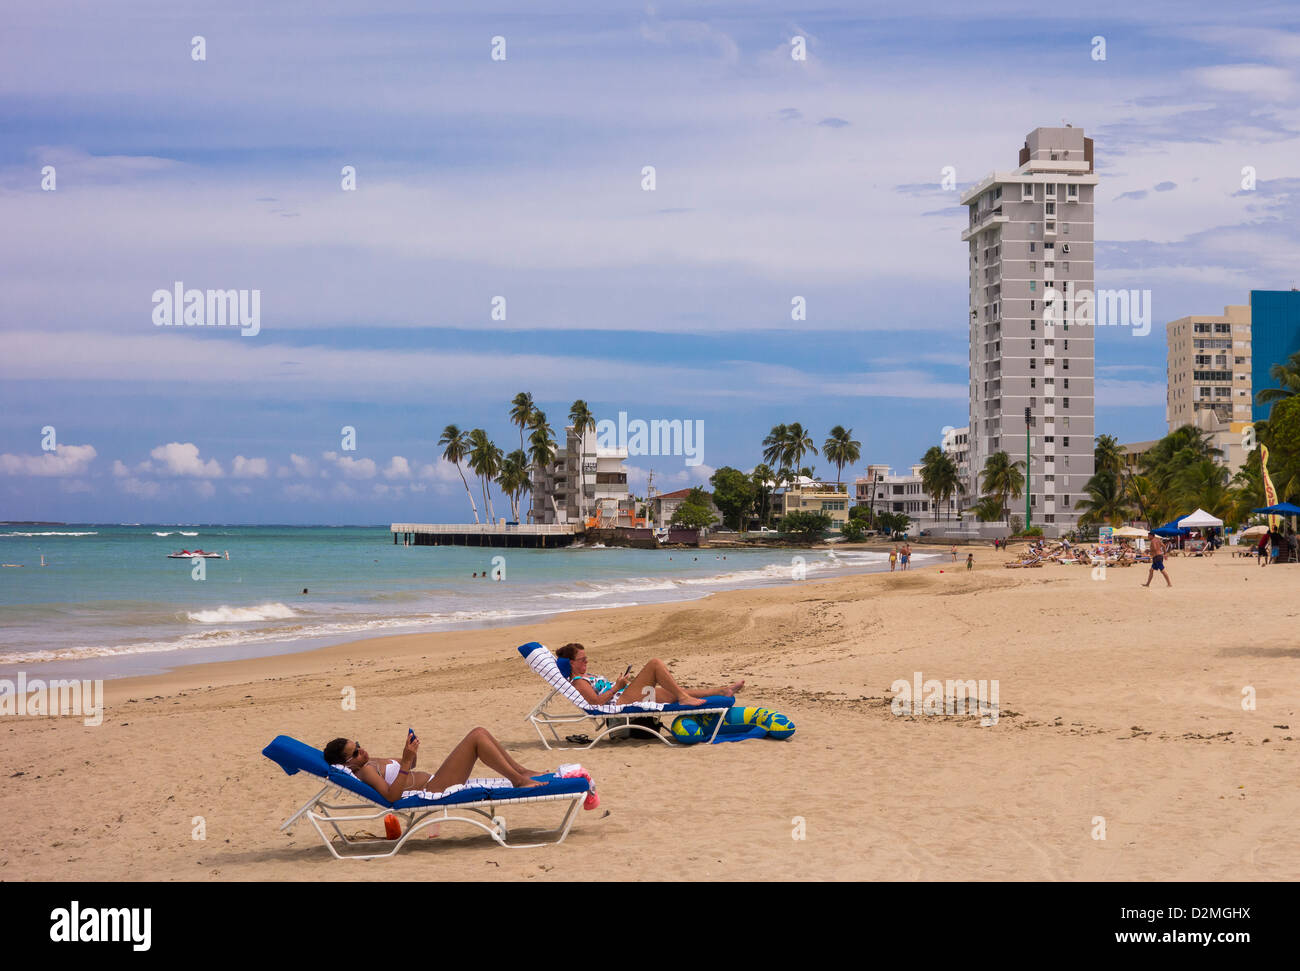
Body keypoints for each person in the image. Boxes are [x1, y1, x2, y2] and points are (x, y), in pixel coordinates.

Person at [322, 728, 546, 802]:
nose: (362, 750)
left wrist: (410, 753)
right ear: (347, 762)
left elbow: (407, 765)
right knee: (476, 737)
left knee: (480, 733)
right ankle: (517, 780)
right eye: (356, 752)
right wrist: (407, 761)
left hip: (433, 781)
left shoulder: (369, 761)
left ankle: (521, 772)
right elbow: (391, 797)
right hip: (433, 790)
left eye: (358, 745)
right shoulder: (365, 771)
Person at [555, 642, 742, 709]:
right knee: (654, 663)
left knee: (672, 693)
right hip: (621, 701)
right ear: (571, 663)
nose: (586, 662)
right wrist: (616, 687)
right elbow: (595, 703)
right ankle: (684, 698)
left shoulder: (585, 675)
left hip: (624, 694)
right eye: (582, 659)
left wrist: (620, 685)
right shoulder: (579, 682)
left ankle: (722, 691)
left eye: (586, 658)